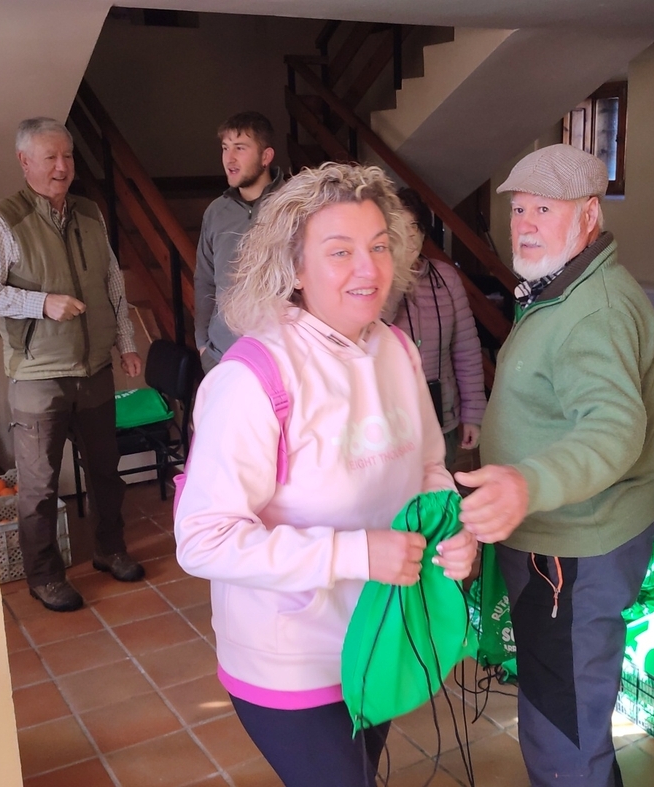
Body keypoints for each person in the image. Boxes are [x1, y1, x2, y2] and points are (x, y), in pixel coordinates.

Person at [174, 163, 478, 786]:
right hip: (290, 659)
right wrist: (357, 552)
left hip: (379, 636)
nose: (368, 269)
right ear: (293, 267)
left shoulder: (396, 349)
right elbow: (202, 539)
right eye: (340, 252)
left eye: (379, 247)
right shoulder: (252, 377)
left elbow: (428, 467)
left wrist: (452, 530)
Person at [455, 144, 654, 786]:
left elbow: (613, 428)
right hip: (560, 542)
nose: (524, 224)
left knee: (563, 729)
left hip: (572, 551)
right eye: (518, 209)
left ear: (589, 216)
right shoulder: (561, 289)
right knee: (562, 707)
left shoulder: (594, 310)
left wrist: (528, 482)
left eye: (544, 210)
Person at [0, 118, 145, 613]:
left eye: (67, 156)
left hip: (95, 369)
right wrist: (40, 304)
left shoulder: (89, 212)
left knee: (106, 472)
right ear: (25, 162)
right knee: (39, 486)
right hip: (38, 374)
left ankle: (111, 549)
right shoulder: (1, 220)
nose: (62, 167)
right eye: (50, 157)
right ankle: (44, 576)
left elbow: (112, 282)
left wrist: (126, 343)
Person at [389, 188, 486, 470]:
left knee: (439, 491)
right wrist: (397, 275)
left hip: (442, 416)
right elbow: (368, 332)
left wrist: (473, 414)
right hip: (391, 423)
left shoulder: (445, 277)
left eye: (414, 226)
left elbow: (466, 350)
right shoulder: (372, 280)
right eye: (398, 228)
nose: (409, 236)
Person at [194, 111, 287, 372]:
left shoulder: (294, 206)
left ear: (266, 156)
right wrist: (203, 345)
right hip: (222, 356)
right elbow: (205, 280)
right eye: (225, 148)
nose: (229, 158)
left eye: (240, 148)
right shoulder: (216, 212)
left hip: (281, 358)